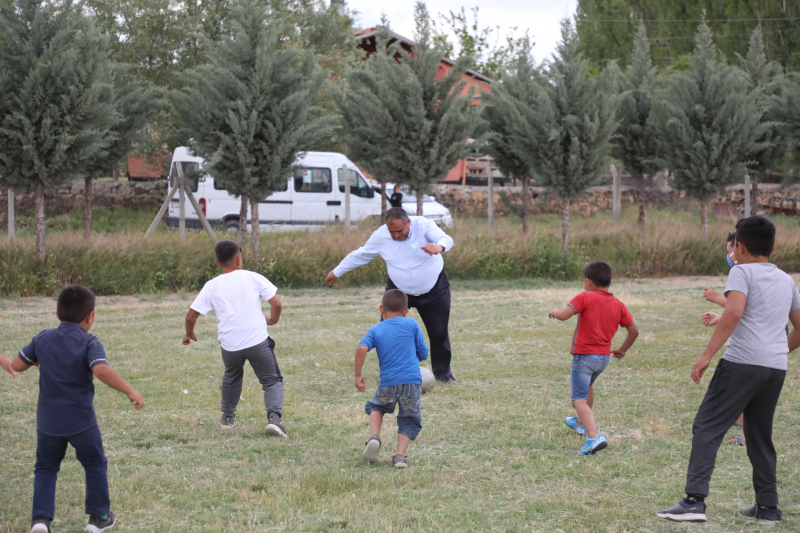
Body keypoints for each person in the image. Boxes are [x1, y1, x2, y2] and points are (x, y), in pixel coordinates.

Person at [658, 216, 800, 524]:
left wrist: (706, 355)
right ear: (773, 247)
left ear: (740, 246)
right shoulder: (787, 280)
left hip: (741, 363)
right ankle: (767, 508)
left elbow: (733, 313)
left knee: (707, 426)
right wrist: (774, 352)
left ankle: (694, 501)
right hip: (775, 368)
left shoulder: (741, 272)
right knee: (760, 435)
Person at [9, 285, 144, 533]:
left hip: (48, 422)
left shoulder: (41, 339)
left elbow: (17, 365)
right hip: (81, 421)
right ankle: (99, 517)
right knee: (94, 464)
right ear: (91, 315)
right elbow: (101, 369)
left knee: (46, 466)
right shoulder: (90, 342)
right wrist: (129, 390)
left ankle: (40, 520)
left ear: (57, 314)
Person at [325, 207, 458, 384]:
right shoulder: (380, 236)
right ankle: (392, 372)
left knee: (439, 333)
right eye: (392, 231)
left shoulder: (424, 225)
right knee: (388, 332)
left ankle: (443, 375)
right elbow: (362, 254)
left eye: (400, 231)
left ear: (408, 222)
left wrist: (438, 247)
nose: (396, 235)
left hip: (434, 289)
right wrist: (337, 271)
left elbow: (446, 238)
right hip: (399, 290)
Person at [183, 239, 287, 437]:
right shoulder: (253, 277)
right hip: (257, 341)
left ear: (217, 263)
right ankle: (274, 420)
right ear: (239, 259)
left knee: (232, 376)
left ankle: (227, 418)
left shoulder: (212, 285)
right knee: (272, 380)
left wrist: (189, 333)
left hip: (230, 345)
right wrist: (272, 320)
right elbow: (277, 303)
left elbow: (190, 316)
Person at [548, 261, 639, 455]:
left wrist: (555, 312)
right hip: (603, 359)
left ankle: (594, 436)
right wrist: (623, 349)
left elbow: (564, 315)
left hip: (585, 357)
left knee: (578, 400)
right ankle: (581, 423)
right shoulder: (618, 304)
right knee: (587, 387)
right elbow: (634, 331)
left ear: (588, 282)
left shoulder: (585, 297)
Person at [355, 289, 428, 468]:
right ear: (406, 311)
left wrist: (358, 375)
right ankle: (400, 456)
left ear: (381, 309)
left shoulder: (376, 329)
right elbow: (423, 353)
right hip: (411, 382)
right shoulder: (411, 324)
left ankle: (374, 437)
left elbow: (362, 348)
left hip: (388, 382)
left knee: (376, 406)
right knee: (409, 417)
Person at [701, 232, 746, 445]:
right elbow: (743, 312)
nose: (728, 255)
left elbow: (737, 310)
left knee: (735, 389)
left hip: (745, 349)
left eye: (729, 251)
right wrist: (720, 317)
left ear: (740, 249)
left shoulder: (740, 272)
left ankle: (743, 432)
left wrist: (716, 298)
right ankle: (741, 427)